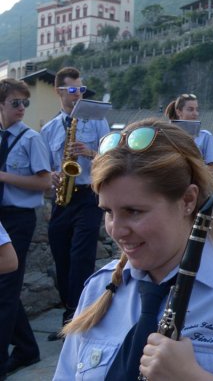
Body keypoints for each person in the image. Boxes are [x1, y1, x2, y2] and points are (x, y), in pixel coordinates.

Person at [54, 119, 213, 380]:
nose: (116, 230)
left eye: (134, 211)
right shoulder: (99, 288)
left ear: (188, 200)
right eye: (108, 212)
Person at [41, 67, 110, 340]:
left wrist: (89, 152)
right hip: (63, 198)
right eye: (72, 90)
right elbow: (44, 168)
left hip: (89, 195)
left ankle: (76, 317)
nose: (78, 94)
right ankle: (69, 311)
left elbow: (111, 157)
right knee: (61, 256)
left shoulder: (97, 122)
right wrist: (52, 175)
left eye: (81, 89)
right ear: (59, 92)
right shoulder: (47, 129)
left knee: (82, 255)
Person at [0, 79, 51, 378]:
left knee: (6, 287)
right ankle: (27, 349)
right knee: (7, 287)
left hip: (18, 218)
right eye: (15, 103)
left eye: (25, 103)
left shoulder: (31, 139)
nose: (22, 108)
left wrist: (4, 177)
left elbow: (44, 182)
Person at [164, 93, 213, 174]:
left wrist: (192, 169)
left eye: (196, 109)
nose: (195, 113)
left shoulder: (205, 136)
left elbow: (212, 170)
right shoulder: (166, 135)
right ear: (179, 112)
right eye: (190, 109)